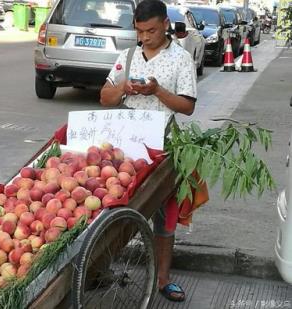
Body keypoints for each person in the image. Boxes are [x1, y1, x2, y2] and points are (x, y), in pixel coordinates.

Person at [100, 0, 197, 302]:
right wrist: (124, 88)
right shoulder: (127, 56)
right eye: (140, 31)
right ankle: (98, 269)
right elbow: (105, 97)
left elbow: (188, 106)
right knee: (113, 207)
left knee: (164, 216)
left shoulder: (181, 59)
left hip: (164, 148)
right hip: (127, 148)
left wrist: (157, 91)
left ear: (166, 24)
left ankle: (163, 279)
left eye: (151, 30)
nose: (145, 37)